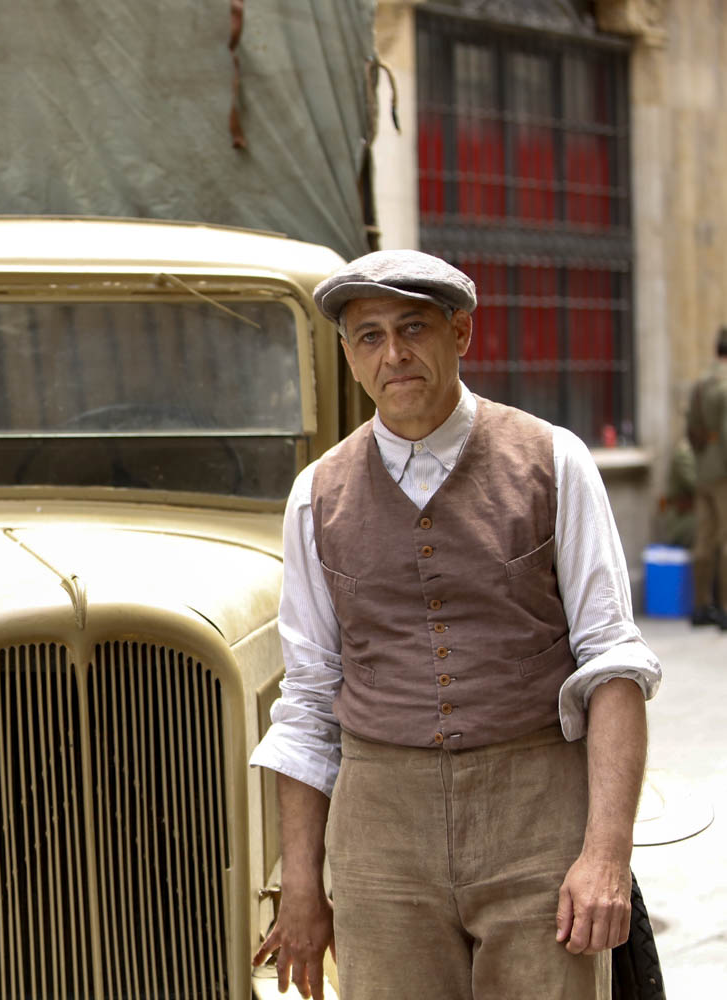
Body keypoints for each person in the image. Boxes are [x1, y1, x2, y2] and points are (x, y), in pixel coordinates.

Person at [249, 250, 661, 1000]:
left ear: (461, 333)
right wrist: (302, 886)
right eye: (368, 336)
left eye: (414, 327)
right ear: (348, 355)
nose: (394, 354)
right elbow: (308, 699)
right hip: (381, 833)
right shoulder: (317, 495)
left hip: (536, 814)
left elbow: (613, 664)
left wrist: (606, 852)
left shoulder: (555, 461)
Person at [684, 325, 727, 627]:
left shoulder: (701, 383)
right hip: (723, 467)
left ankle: (701, 606)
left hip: (704, 468)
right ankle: (725, 608)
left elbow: (691, 428)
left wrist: (703, 457)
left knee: (704, 538)